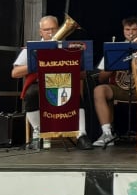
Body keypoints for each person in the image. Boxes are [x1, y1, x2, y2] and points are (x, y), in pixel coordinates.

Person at [11, 15, 93, 150]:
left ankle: (81, 135)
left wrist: (72, 65)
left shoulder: (68, 47)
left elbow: (83, 75)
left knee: (74, 93)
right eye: (46, 30)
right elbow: (15, 73)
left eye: (53, 29)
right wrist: (38, 63)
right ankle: (38, 133)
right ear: (40, 32)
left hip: (63, 82)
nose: (50, 32)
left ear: (59, 28)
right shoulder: (31, 48)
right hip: (40, 84)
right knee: (31, 94)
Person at [92, 16, 137, 147]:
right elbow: (101, 78)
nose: (131, 33)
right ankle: (107, 133)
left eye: (134, 29)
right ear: (123, 30)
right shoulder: (115, 48)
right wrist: (113, 65)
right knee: (99, 90)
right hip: (120, 88)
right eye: (127, 29)